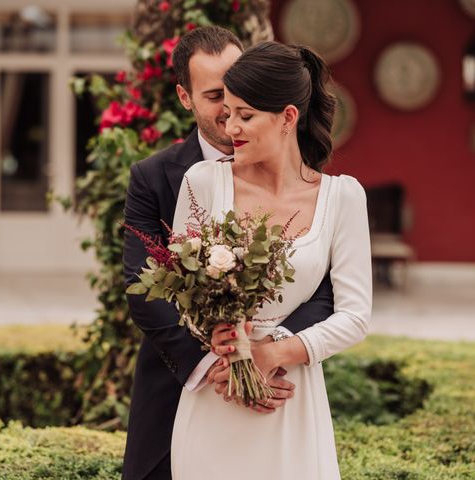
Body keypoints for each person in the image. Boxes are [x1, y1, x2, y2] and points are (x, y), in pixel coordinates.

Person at [122, 28, 335, 480]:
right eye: (216, 94)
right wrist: (216, 366)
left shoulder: (310, 181)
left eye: (240, 93)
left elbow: (322, 288)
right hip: (182, 385)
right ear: (185, 97)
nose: (229, 111)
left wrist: (265, 353)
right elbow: (147, 287)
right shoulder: (158, 176)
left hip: (281, 384)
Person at [170, 41, 372, 479]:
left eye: (246, 116)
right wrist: (221, 347)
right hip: (215, 396)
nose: (231, 128)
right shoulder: (202, 183)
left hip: (290, 399)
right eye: (227, 113)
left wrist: (276, 352)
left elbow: (355, 316)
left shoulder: (342, 198)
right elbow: (182, 296)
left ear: (287, 118)